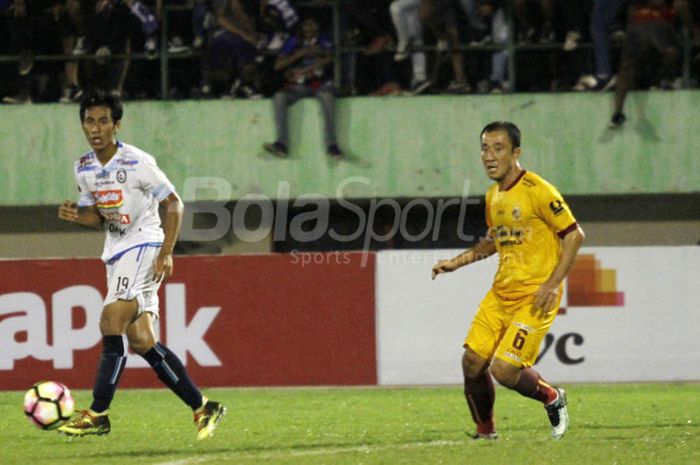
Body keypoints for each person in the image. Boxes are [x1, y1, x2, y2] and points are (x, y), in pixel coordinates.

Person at [56, 92, 226, 439]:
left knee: (110, 320)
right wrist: (78, 216)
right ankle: (202, 405)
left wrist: (167, 250)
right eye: (89, 121)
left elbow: (174, 203)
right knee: (140, 339)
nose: (96, 128)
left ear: (116, 125)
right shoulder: (84, 167)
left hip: (146, 245)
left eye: (104, 121)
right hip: (116, 251)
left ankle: (98, 412)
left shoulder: (137, 162)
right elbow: (97, 218)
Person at [432, 121, 585, 440]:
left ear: (516, 153)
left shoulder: (539, 191)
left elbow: (574, 235)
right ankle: (485, 432)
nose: (489, 156)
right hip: (501, 294)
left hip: (536, 296)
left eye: (498, 148)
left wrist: (553, 283)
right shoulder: (493, 196)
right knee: (472, 362)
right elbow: (494, 241)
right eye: (485, 148)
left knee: (503, 369)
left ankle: (553, 397)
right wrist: (455, 263)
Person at [263, 16, 343, 158]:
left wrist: (312, 62)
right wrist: (300, 54)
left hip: (322, 85)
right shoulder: (293, 41)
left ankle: (332, 146)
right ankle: (282, 144)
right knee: (279, 97)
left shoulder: (324, 39)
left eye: (313, 24)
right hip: (299, 86)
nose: (309, 28)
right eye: (306, 24)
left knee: (327, 97)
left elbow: (331, 55)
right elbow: (278, 65)